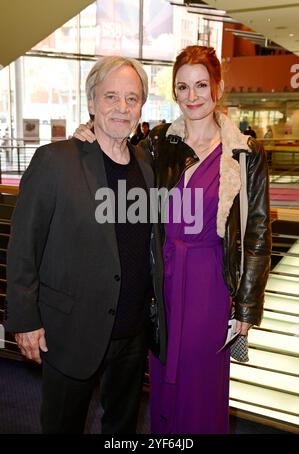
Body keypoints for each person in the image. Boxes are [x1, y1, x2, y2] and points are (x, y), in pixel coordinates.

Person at [74, 45, 271, 434]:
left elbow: (257, 233)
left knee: (201, 388)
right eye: (183, 87)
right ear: (174, 92)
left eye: (201, 85)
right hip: (161, 284)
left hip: (210, 287)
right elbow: (117, 160)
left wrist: (247, 309)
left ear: (218, 87)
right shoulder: (157, 145)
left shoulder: (245, 153)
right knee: (162, 385)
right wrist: (89, 131)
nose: (192, 96)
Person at [4, 56, 166, 434]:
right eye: (111, 96)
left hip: (132, 331)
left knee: (122, 429)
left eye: (132, 98)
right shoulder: (55, 161)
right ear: (91, 103)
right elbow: (24, 245)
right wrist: (25, 319)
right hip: (70, 329)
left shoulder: (146, 165)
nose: (122, 108)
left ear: (142, 105)